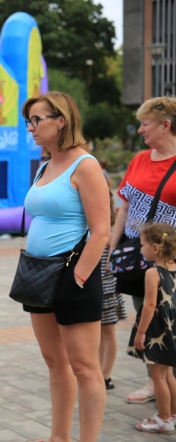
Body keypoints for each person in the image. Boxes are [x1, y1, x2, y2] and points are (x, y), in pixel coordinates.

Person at [18, 92, 111, 442]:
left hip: (73, 278)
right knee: (54, 361)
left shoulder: (85, 165)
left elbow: (101, 230)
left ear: (61, 120)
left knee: (85, 368)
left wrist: (78, 279)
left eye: (36, 120)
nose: (31, 127)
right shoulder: (46, 164)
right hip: (39, 275)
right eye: (29, 121)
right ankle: (59, 441)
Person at [109, 96, 176, 404]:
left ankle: (166, 384)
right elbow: (123, 208)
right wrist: (111, 246)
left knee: (170, 319)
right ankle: (155, 382)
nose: (139, 130)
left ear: (166, 125)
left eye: (145, 123)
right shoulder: (139, 159)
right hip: (139, 255)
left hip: (171, 261)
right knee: (147, 317)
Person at [127, 222, 176, 434]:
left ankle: (163, 419)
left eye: (142, 244)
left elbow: (149, 305)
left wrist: (140, 332)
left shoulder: (152, 273)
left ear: (155, 248)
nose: (140, 248)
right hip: (172, 325)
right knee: (169, 375)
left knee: (157, 376)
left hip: (157, 328)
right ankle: (173, 415)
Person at [100, 191, 127, 390]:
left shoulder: (110, 232)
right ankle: (98, 372)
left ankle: (106, 374)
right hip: (90, 289)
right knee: (96, 335)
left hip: (107, 289)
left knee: (107, 333)